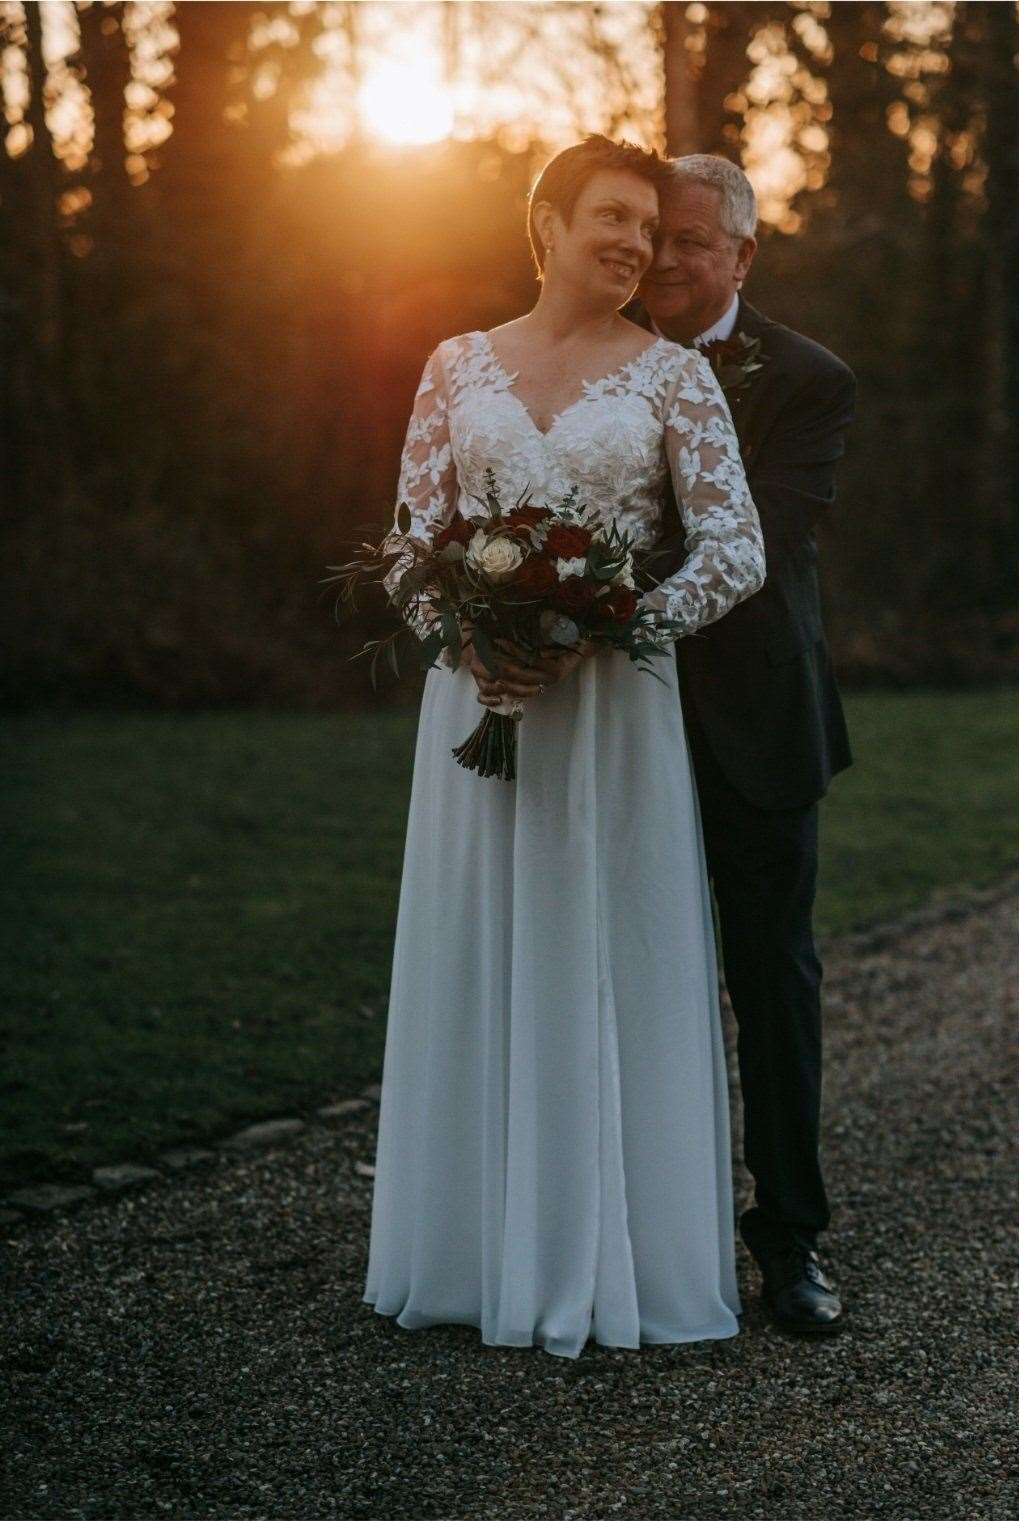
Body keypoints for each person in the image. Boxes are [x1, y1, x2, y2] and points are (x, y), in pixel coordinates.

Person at [362, 135, 766, 1359]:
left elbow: (735, 551)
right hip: (478, 704)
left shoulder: (674, 381)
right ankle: (474, 1250)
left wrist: (614, 624)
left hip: (608, 717)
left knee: (603, 952)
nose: (636, 245)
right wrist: (464, 639)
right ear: (544, 224)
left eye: (650, 228)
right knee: (480, 950)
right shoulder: (455, 365)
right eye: (612, 218)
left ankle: (597, 1253)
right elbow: (404, 540)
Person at [622, 154, 857, 1334]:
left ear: (742, 256)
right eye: (651, 236)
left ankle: (792, 1240)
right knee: (611, 976)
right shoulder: (589, 351)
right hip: (606, 726)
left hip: (754, 721)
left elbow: (753, 548)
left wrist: (585, 603)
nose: (664, 260)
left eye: (693, 242)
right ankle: (624, 1229)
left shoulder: (806, 379)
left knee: (770, 980)